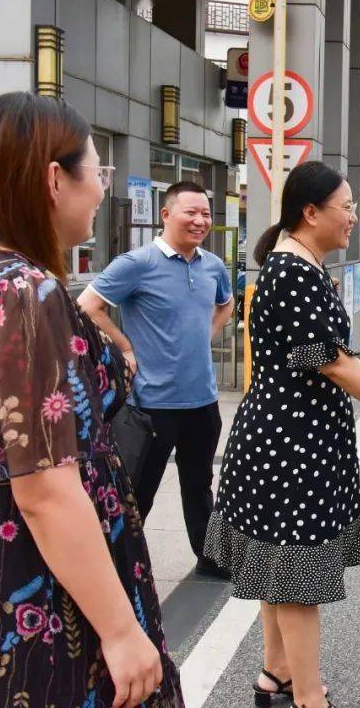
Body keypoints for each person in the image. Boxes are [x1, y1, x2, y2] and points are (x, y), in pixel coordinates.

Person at [0, 91, 181, 707]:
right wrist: (121, 631)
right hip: (42, 589)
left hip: (0, 569)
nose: (101, 189)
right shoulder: (24, 292)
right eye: (97, 171)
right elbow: (43, 488)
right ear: (53, 179)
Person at [204, 161, 360, 708]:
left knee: (277, 570)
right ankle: (309, 697)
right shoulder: (294, 272)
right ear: (311, 213)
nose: (354, 216)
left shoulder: (296, 264)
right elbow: (331, 362)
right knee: (294, 576)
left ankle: (276, 676)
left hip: (285, 441)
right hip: (289, 448)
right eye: (347, 206)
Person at [78, 181, 234, 578]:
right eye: (190, 212)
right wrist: (125, 349)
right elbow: (87, 306)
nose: (200, 221)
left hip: (202, 401)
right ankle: (120, 566)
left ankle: (209, 556)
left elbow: (226, 303)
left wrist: (204, 337)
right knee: (135, 492)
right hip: (151, 405)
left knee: (199, 485)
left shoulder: (213, 265)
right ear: (166, 215)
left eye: (205, 214)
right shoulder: (137, 263)